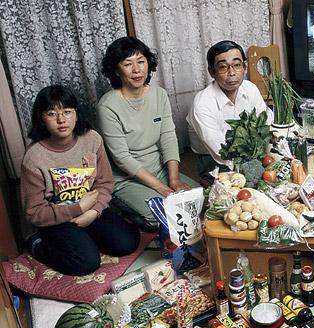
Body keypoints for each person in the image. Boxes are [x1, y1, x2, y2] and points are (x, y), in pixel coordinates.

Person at [21, 85, 141, 276]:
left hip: (90, 207)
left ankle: (85, 236)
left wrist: (93, 212)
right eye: (52, 114)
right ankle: (37, 244)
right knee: (86, 263)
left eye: (67, 112)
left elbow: (105, 183)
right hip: (57, 217)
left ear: (76, 114)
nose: (61, 120)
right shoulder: (34, 157)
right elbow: (34, 212)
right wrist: (77, 209)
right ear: (41, 119)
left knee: (127, 243)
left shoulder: (92, 139)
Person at [97, 37, 198, 231]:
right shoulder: (107, 106)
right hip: (127, 179)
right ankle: (123, 209)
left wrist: (174, 180)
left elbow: (168, 137)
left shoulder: (159, 94)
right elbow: (121, 158)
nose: (137, 70)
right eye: (128, 64)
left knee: (200, 199)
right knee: (161, 216)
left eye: (141, 61)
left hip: (159, 169)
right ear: (116, 70)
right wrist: (161, 188)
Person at [186, 40, 271, 184]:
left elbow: (265, 125)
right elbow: (220, 152)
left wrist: (263, 159)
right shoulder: (202, 103)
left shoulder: (250, 88)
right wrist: (252, 169)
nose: (231, 73)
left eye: (237, 65)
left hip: (252, 153)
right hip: (213, 159)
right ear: (212, 72)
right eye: (223, 67)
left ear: (244, 67)